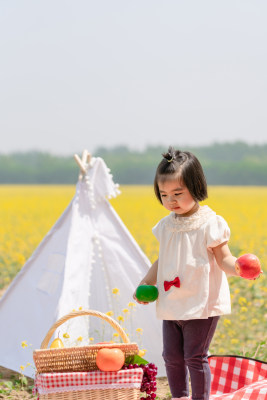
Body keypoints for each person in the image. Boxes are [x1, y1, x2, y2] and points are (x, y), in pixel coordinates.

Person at [133, 146, 241, 400]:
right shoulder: (166, 225)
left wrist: (237, 267)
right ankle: (179, 397)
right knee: (170, 356)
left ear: (196, 186)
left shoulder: (209, 223)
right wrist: (146, 281)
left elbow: (223, 258)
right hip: (172, 300)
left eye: (178, 193)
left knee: (194, 355)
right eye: (164, 194)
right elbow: (164, 259)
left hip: (200, 302)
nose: (171, 201)